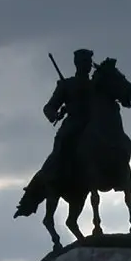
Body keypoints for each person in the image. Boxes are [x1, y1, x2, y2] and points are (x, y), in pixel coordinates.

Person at [40, 48, 96, 183]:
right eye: (84, 62)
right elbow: (49, 107)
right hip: (74, 123)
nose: (87, 65)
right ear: (77, 64)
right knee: (62, 143)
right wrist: (56, 115)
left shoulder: (95, 85)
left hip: (93, 123)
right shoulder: (67, 85)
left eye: (89, 62)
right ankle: (49, 176)